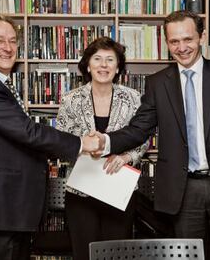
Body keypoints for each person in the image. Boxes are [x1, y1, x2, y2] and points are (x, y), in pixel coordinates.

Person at [95, 10, 210, 260]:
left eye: (188, 39)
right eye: (174, 41)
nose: (182, 47)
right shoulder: (158, 83)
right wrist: (105, 141)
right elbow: (139, 129)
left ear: (201, 37)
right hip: (182, 192)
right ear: (167, 43)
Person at [0, 14, 100, 260]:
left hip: (8, 207)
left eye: (12, 41)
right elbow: (27, 132)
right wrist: (80, 143)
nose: (8, 47)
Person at [56, 37, 149, 260]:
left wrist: (127, 156)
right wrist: (82, 146)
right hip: (81, 191)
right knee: (84, 253)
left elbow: (144, 137)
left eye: (110, 60)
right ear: (88, 65)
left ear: (118, 67)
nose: (103, 65)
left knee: (117, 254)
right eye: (97, 59)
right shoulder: (71, 99)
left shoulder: (134, 98)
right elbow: (59, 140)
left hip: (118, 189)